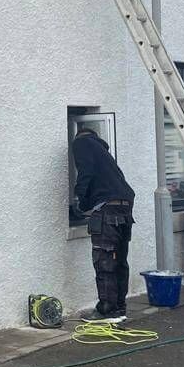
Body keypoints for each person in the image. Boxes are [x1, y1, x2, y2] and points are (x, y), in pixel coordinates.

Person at [72, 123, 137, 322]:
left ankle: (106, 310)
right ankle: (119, 307)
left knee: (104, 259)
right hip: (125, 207)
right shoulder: (102, 151)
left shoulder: (81, 143)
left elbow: (86, 173)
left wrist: (80, 202)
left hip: (108, 208)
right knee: (119, 260)